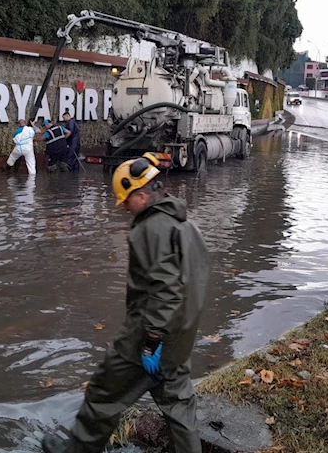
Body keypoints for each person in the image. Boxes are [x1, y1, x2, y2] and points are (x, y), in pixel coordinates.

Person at [42, 154, 211, 453]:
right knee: (178, 405)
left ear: (142, 195)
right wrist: (172, 337)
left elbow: (164, 287)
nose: (121, 206)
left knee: (102, 394)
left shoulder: (151, 227)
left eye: (125, 200)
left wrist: (151, 341)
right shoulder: (184, 223)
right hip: (180, 335)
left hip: (148, 334)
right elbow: (191, 283)